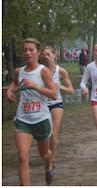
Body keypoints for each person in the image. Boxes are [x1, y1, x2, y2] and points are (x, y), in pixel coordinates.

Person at [6, 38, 57, 185]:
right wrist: (9, 91)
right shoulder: (19, 71)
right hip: (23, 120)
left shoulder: (43, 71)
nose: (28, 53)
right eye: (25, 50)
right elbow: (16, 83)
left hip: (41, 119)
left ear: (38, 52)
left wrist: (35, 86)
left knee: (44, 154)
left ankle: (48, 164)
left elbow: (53, 94)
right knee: (22, 157)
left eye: (31, 50)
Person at [42, 46, 75, 169]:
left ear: (54, 54)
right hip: (43, 104)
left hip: (56, 103)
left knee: (53, 133)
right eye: (44, 55)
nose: (47, 57)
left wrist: (60, 87)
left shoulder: (61, 71)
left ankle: (51, 159)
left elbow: (71, 90)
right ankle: (46, 154)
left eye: (48, 54)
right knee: (45, 134)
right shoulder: (40, 71)